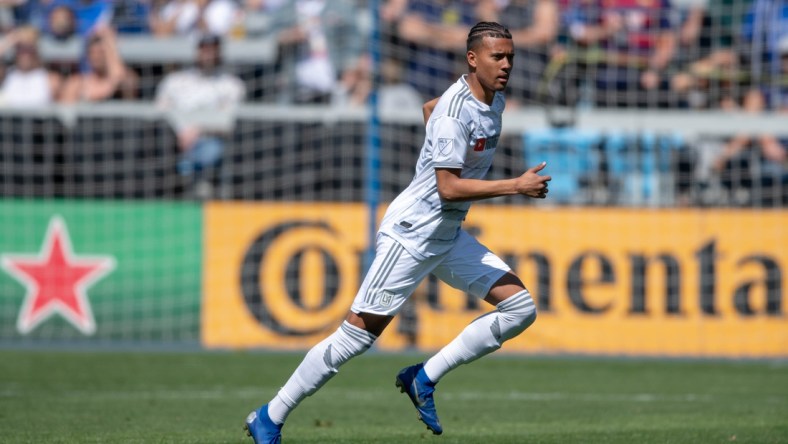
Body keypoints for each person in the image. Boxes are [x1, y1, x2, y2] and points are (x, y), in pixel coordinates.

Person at [244, 21, 551, 443]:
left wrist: (437, 141)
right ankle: (269, 416)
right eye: (498, 57)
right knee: (355, 338)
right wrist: (515, 185)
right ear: (473, 58)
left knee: (520, 309)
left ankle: (423, 377)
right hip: (412, 233)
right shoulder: (456, 111)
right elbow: (448, 187)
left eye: (510, 57)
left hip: (447, 235)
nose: (506, 65)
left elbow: (429, 108)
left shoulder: (489, 100)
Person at [154, 33, 245, 198]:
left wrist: (198, 130)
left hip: (210, 140)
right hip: (174, 139)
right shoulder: (175, 81)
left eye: (213, 49)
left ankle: (199, 191)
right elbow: (161, 112)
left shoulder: (231, 84)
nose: (208, 54)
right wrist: (181, 132)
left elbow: (229, 124)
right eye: (204, 49)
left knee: (211, 149)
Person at [58, 25, 138, 102]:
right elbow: (65, 109)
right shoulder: (78, 83)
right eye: (92, 53)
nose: (96, 57)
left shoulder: (124, 78)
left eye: (101, 53)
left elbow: (121, 80)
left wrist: (110, 45)